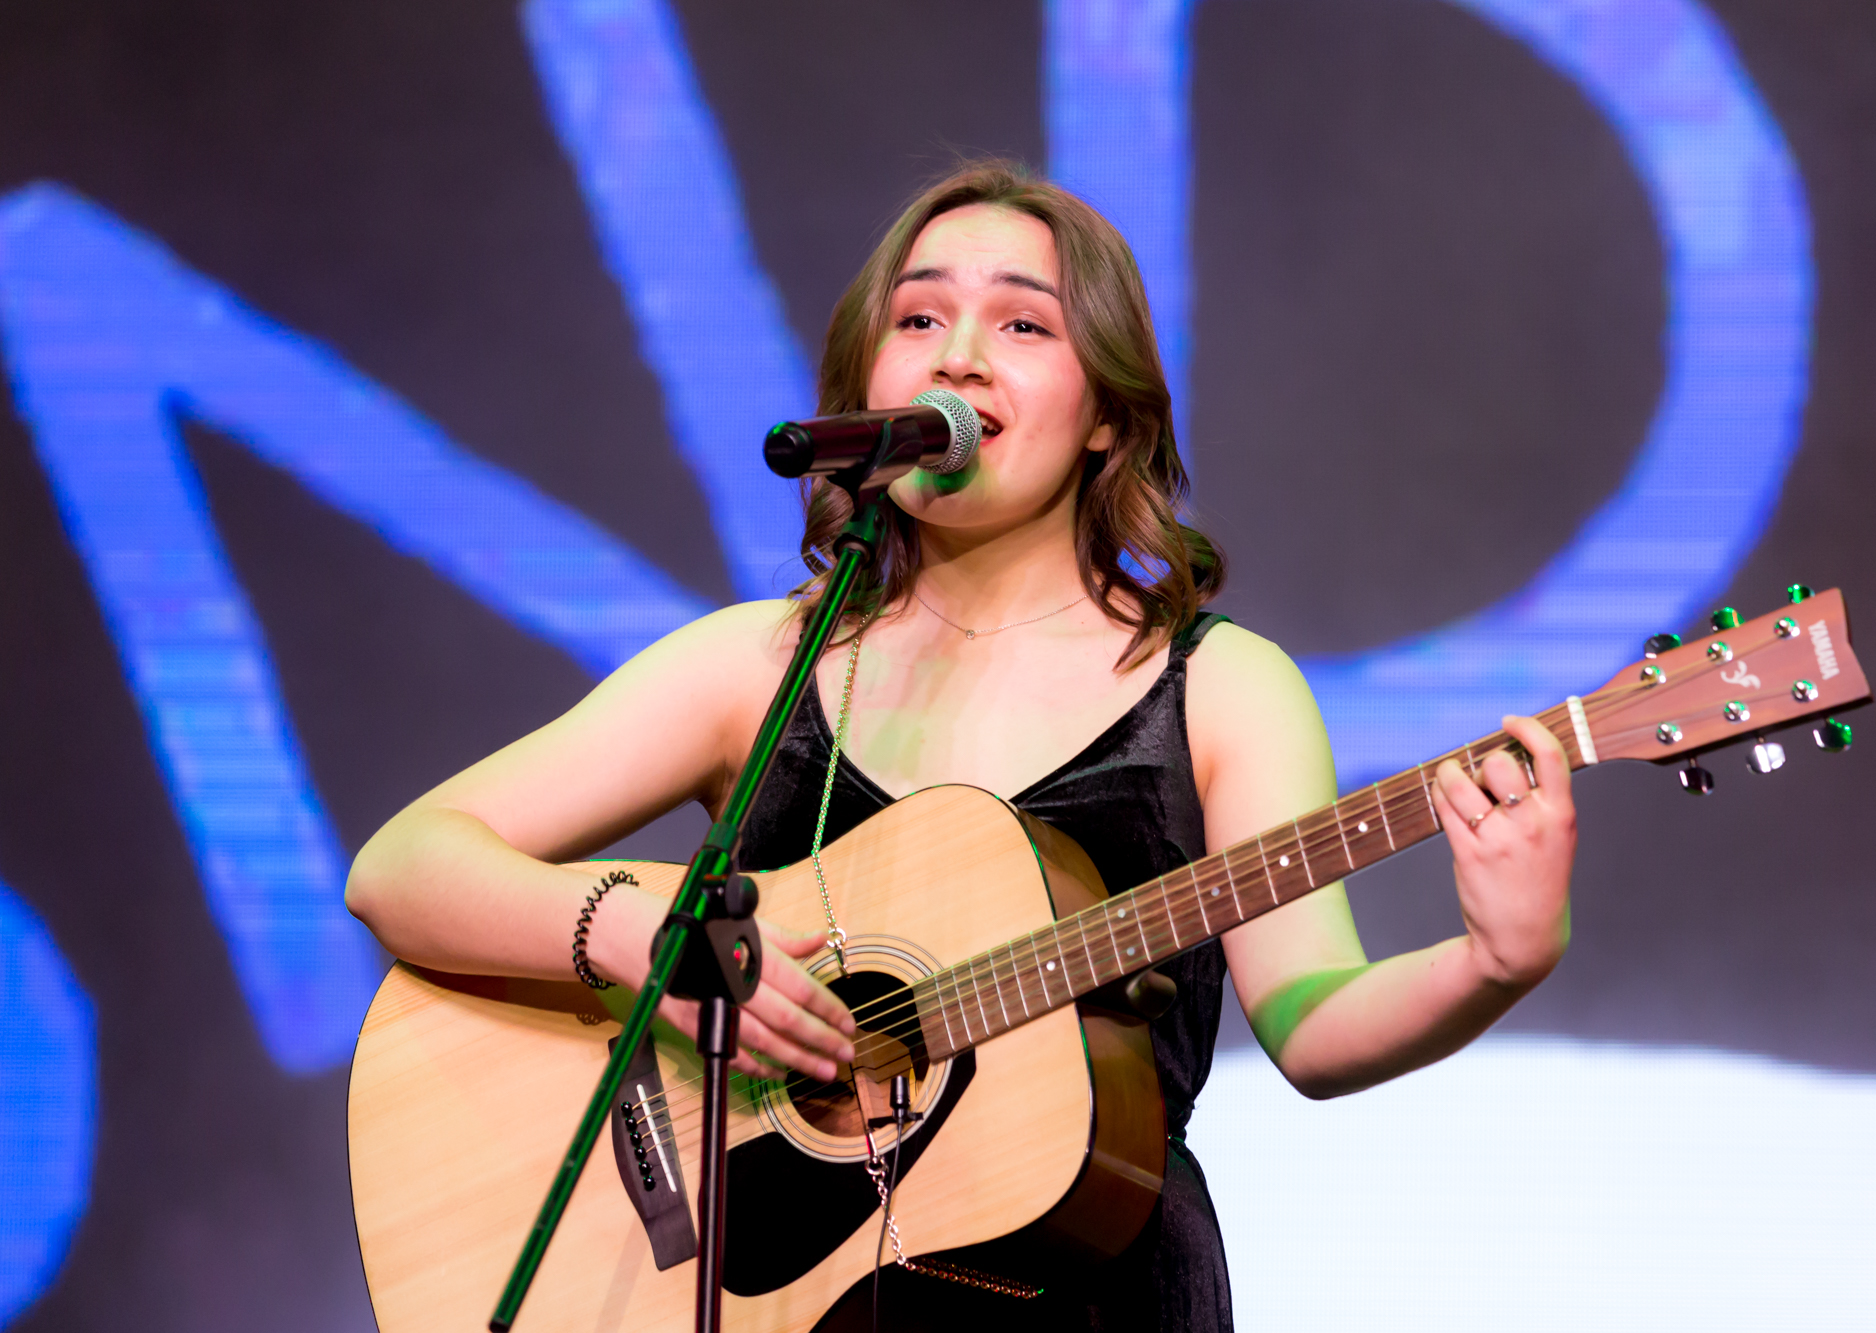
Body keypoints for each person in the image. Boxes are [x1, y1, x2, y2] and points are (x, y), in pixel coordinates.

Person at [345, 160, 1575, 1332]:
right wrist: (631, 933)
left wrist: (1492, 961)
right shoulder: (758, 665)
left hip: (1090, 1292)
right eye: (918, 319)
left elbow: (1312, 1023)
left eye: (1023, 325)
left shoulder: (1217, 686)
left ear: (1108, 418)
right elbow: (401, 865)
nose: (959, 355)